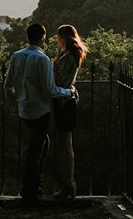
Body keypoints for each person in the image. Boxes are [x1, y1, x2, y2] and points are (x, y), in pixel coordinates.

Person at [4, 22, 75, 205]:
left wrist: (20, 96)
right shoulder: (42, 59)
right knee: (36, 151)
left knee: (42, 144)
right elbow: (51, 89)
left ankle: (35, 185)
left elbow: (7, 85)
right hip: (40, 111)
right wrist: (70, 92)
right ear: (42, 37)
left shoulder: (16, 56)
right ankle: (29, 191)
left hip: (24, 110)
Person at [52, 24, 88, 201]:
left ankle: (69, 185)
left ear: (63, 37)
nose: (56, 40)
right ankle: (68, 184)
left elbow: (59, 80)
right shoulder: (68, 55)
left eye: (58, 37)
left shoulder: (68, 57)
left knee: (65, 144)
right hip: (65, 100)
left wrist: (50, 67)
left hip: (65, 102)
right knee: (65, 143)